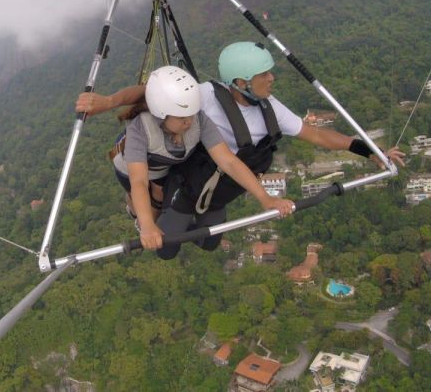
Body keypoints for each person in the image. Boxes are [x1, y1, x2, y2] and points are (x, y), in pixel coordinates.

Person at [77, 42, 406, 258]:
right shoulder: (202, 97)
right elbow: (150, 93)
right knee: (166, 246)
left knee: (209, 242)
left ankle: (167, 211)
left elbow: (318, 137)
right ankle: (148, 210)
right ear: (241, 81)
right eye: (263, 74)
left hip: (221, 183)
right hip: (181, 173)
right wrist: (108, 103)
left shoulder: (267, 109)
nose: (272, 79)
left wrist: (369, 150)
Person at [88, 65, 295, 258]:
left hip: (171, 165)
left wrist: (266, 198)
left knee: (206, 241)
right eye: (181, 118)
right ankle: (134, 207)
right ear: (161, 114)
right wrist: (148, 225)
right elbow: (139, 182)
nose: (189, 122)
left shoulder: (198, 119)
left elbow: (228, 161)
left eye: (191, 115)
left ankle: (168, 212)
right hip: (136, 170)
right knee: (159, 231)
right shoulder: (140, 130)